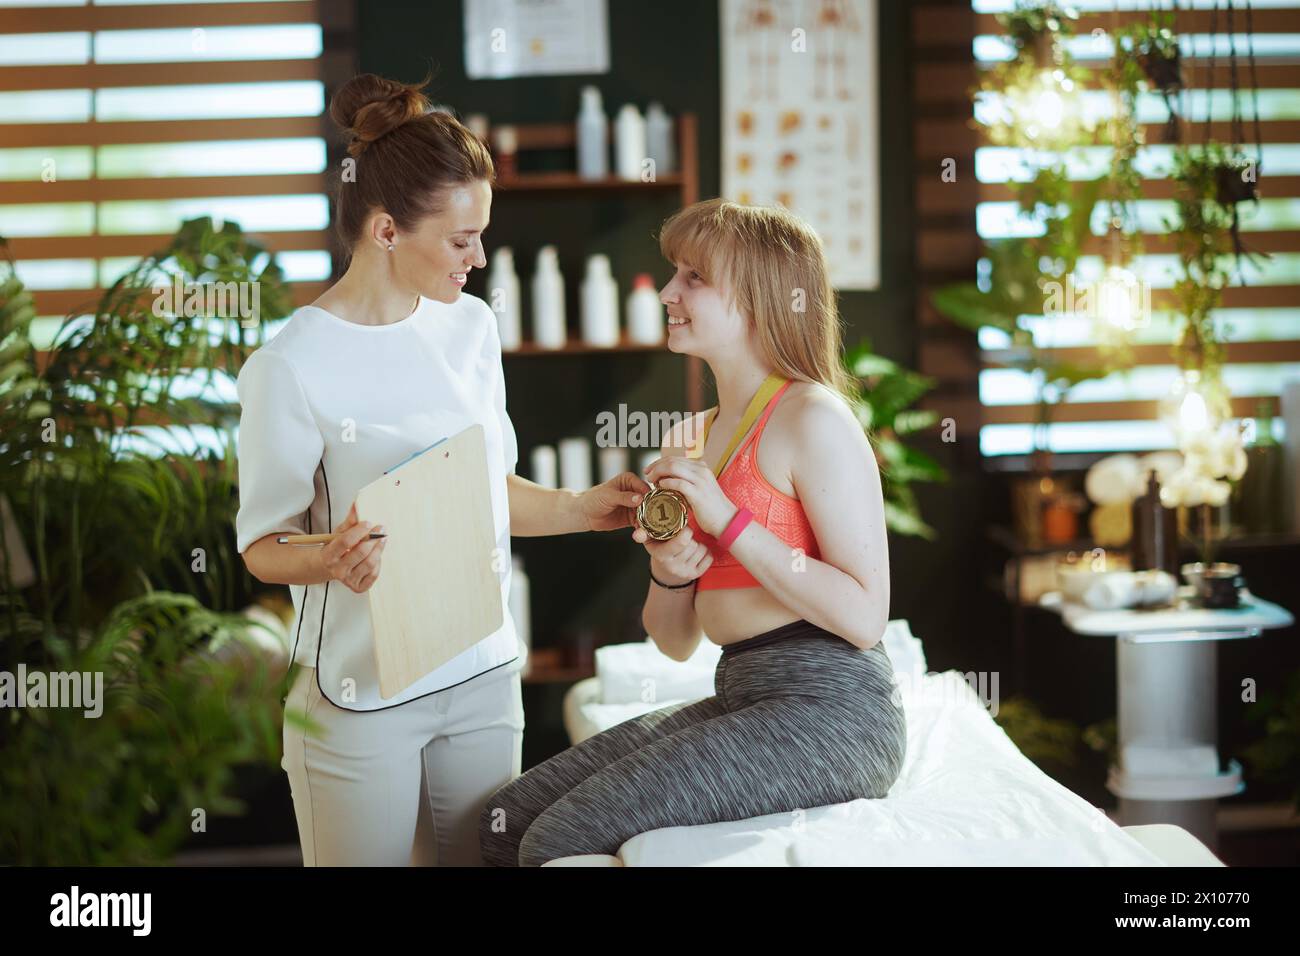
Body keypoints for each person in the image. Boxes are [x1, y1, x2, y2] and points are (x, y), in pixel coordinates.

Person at [234, 73, 648, 866]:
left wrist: (580, 506)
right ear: (387, 231)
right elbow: (263, 545)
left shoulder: (471, 328)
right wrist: (329, 558)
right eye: (462, 240)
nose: (481, 258)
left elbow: (484, 492)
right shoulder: (290, 366)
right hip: (358, 698)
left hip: (484, 676)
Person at [480, 198, 906, 866]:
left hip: (834, 715)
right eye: (674, 274)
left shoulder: (812, 419)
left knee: (554, 840)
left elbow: (864, 615)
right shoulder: (691, 439)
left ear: (760, 297)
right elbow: (676, 642)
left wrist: (728, 522)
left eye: (693, 278)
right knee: (506, 823)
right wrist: (670, 569)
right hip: (743, 693)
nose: (669, 293)